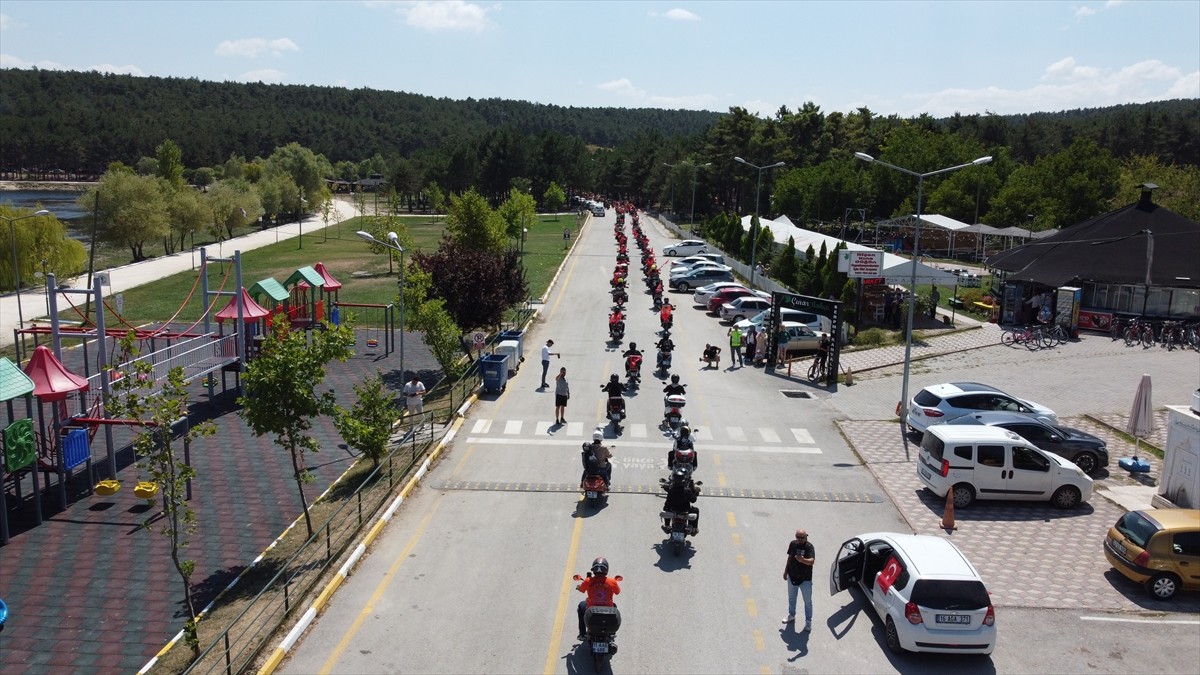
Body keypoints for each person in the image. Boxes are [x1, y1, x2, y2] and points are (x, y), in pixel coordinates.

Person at [576, 557, 621, 641]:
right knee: (615, 606)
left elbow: (581, 590)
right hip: (608, 609)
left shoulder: (588, 580)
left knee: (581, 606)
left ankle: (582, 634)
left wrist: (578, 587)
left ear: (593, 570)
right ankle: (612, 632)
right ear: (606, 570)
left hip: (591, 609)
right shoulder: (612, 582)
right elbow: (618, 592)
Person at [784, 529, 816, 632]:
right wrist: (786, 571)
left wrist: (802, 560)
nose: (800, 539)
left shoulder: (809, 547)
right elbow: (790, 557)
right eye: (798, 537)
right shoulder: (793, 544)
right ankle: (791, 615)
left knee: (807, 602)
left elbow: (812, 561)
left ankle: (808, 622)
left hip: (805, 579)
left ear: (806, 536)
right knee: (792, 598)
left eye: (802, 537)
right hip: (792, 576)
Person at [661, 468, 700, 534]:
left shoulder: (671, 490)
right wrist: (695, 494)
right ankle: (694, 529)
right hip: (685, 511)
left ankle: (667, 525)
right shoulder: (687, 490)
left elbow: (667, 502)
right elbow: (693, 500)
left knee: (665, 507)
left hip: (673, 510)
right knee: (696, 510)